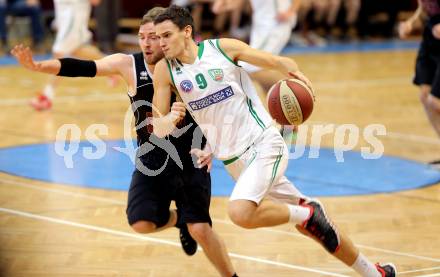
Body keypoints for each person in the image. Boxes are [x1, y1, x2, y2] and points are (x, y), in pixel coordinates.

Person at [152, 5, 396, 277]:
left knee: (240, 213)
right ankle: (376, 273)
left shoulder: (222, 49)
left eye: (166, 35)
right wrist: (170, 120)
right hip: (234, 161)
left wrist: (297, 76)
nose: (161, 43)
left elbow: (277, 62)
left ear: (186, 32)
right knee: (317, 231)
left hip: (264, 144)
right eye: (158, 37)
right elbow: (157, 127)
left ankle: (306, 214)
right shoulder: (165, 71)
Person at [11, 7, 238, 277]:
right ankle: (178, 221)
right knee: (141, 223)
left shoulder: (189, 65)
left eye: (154, 37)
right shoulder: (128, 64)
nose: (146, 42)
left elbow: (220, 106)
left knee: (200, 229)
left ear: (168, 38)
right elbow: (84, 67)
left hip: (190, 157)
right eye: (142, 36)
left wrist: (213, 144)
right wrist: (38, 66)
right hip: (152, 158)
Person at [30, 0, 116, 111]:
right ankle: (113, 66)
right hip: (63, 12)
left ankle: (46, 97)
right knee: (78, 50)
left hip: (74, 15)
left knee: (59, 53)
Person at [399, 0, 440, 143]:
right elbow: (424, 8)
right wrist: (410, 22)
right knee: (425, 96)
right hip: (430, 42)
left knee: (434, 101)